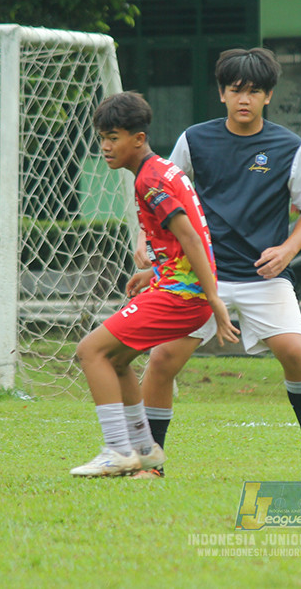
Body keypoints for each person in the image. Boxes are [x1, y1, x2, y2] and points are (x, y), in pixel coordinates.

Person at [138, 47, 301, 480]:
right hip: (200, 274)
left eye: (255, 91)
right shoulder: (194, 139)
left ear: (269, 96)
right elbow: (159, 192)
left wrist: (287, 250)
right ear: (221, 94)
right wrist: (146, 242)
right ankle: (151, 461)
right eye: (235, 90)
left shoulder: (289, 146)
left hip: (264, 277)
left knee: (295, 353)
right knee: (162, 360)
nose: (244, 98)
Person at [69, 91, 239, 477]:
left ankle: (117, 450)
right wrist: (156, 270)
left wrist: (214, 299)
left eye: (113, 137)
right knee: (116, 359)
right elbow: (183, 240)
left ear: (138, 139)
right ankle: (145, 449)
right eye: (102, 137)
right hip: (177, 289)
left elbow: (193, 237)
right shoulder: (159, 170)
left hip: (182, 297)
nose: (105, 146)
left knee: (89, 350)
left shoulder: (151, 180)